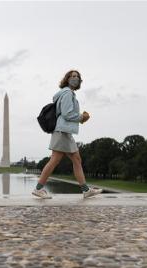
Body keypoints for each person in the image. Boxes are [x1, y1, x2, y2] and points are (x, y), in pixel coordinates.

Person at [32, 70, 103, 199]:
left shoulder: (66, 94)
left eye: (77, 77)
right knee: (56, 160)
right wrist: (82, 117)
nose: (75, 78)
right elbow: (67, 113)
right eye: (72, 76)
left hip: (64, 131)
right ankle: (38, 188)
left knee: (76, 159)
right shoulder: (67, 93)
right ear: (67, 79)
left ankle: (86, 190)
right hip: (62, 131)